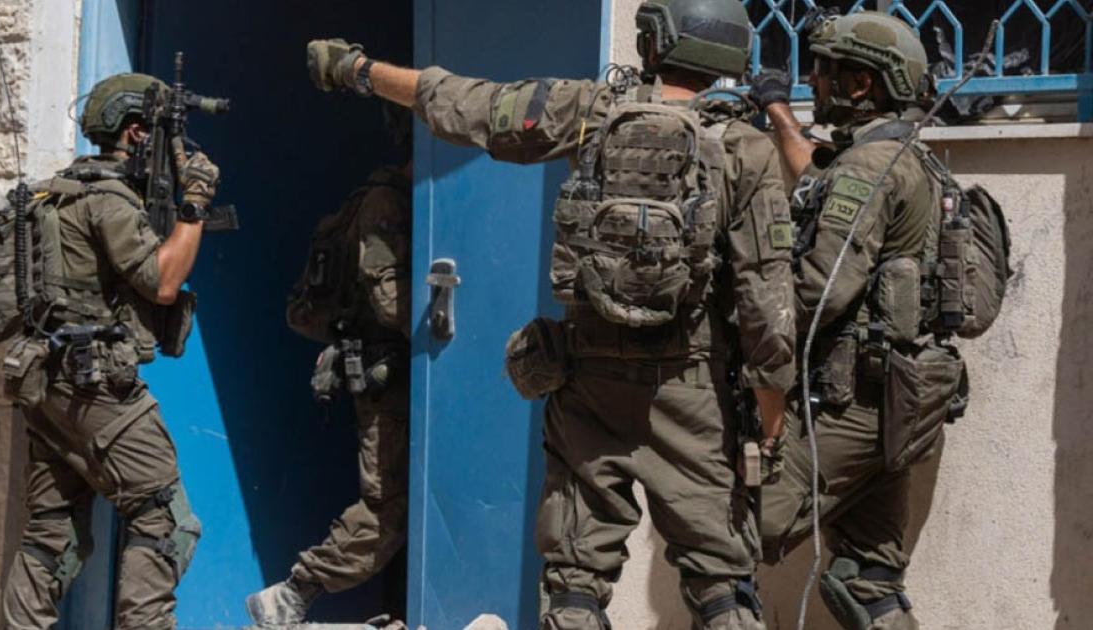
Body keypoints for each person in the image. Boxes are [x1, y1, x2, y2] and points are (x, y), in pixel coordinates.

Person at [256, 1, 799, 628]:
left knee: (575, 583)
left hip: (587, 388)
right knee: (721, 584)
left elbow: (467, 104)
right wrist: (769, 426)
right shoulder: (747, 150)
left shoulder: (588, 111)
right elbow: (767, 310)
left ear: (654, 44)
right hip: (693, 396)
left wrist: (359, 70)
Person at [748, 11, 968, 630]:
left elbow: (820, 290)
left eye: (823, 70)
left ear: (862, 84)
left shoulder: (867, 169)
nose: (813, 81)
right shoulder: (907, 158)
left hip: (846, 411)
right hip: (897, 409)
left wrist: (747, 333)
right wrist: (776, 111)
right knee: (869, 581)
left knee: (726, 538)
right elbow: (815, 174)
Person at [0, 73, 219, 629]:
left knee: (51, 533)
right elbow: (162, 282)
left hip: (47, 387)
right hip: (97, 389)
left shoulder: (58, 192)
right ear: (137, 133)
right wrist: (194, 205)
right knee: (166, 519)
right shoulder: (109, 200)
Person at [245, 105, 413, 626]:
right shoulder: (386, 203)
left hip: (403, 376)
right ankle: (295, 592)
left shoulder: (403, 197)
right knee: (388, 507)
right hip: (389, 380)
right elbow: (390, 303)